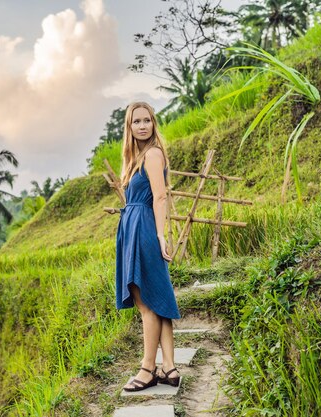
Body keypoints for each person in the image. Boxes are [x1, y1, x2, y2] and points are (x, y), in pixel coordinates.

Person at [115, 101, 181, 392]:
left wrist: (161, 235)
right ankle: (169, 366)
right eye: (136, 121)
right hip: (133, 226)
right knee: (157, 298)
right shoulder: (135, 158)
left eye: (147, 120)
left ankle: (147, 368)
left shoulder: (153, 154)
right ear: (129, 127)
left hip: (143, 227)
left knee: (145, 304)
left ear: (154, 124)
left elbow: (160, 197)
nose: (142, 126)